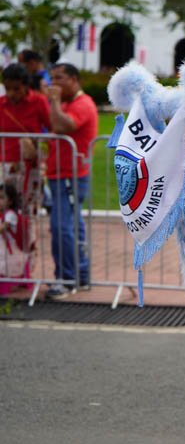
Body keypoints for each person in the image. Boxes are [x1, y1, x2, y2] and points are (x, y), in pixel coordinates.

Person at [45, 63, 97, 299]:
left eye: (59, 78)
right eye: (52, 78)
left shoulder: (82, 104)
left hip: (70, 175)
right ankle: (80, 275)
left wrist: (54, 101)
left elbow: (61, 126)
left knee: (61, 227)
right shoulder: (67, 104)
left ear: (74, 79)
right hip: (60, 174)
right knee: (73, 226)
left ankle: (66, 279)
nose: (54, 83)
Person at [0, 63, 49, 209]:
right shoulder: (1, 104)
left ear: (26, 86)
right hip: (5, 163)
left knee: (29, 207)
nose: (11, 93)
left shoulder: (39, 101)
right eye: (7, 88)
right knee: (5, 206)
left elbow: (52, 128)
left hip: (31, 164)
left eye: (16, 89)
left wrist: (40, 146)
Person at [0, 184, 30, 294]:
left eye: (2, 198)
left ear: (10, 201)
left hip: (11, 250)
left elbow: (2, 228)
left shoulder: (10, 215)